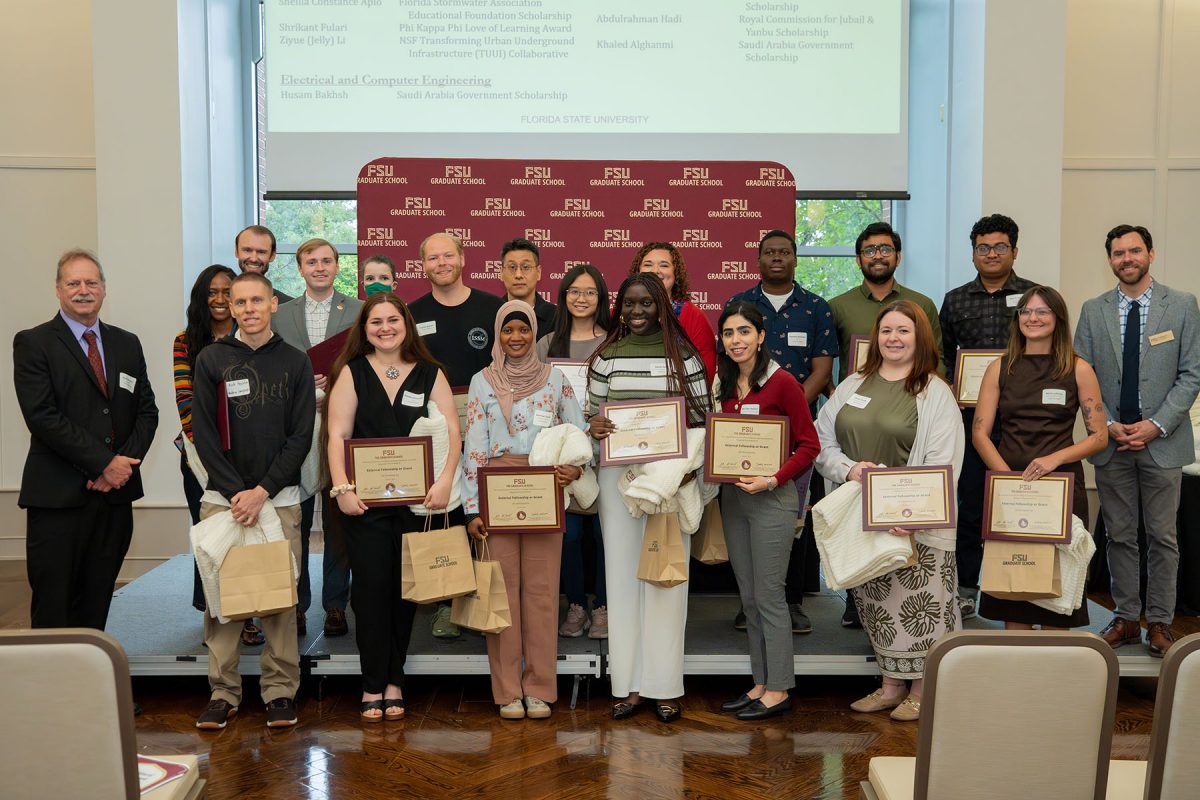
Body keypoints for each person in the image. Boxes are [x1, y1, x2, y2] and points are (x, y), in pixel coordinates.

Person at [815, 300, 963, 722]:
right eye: (886, 331)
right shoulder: (853, 385)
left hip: (914, 525)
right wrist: (848, 469)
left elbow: (946, 463)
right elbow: (822, 441)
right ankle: (890, 686)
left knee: (923, 608)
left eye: (903, 331)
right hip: (864, 520)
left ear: (920, 338)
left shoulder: (935, 392)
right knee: (878, 606)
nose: (893, 339)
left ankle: (922, 689)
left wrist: (913, 513)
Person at [324, 291, 462, 722]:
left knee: (406, 596)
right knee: (369, 594)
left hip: (418, 507)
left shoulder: (430, 373)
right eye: (375, 322)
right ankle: (370, 684)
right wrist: (342, 488)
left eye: (392, 320)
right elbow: (336, 436)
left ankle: (394, 680)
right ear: (363, 329)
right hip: (364, 505)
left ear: (406, 324)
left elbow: (453, 434)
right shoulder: (351, 372)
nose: (385, 328)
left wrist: (444, 482)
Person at [191, 272, 314, 730]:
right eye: (239, 301)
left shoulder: (296, 362)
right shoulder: (210, 359)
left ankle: (280, 692)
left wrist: (262, 491)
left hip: (278, 500)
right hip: (222, 503)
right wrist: (235, 493)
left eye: (256, 300)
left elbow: (301, 436)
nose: (248, 308)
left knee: (280, 602)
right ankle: (223, 693)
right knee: (222, 603)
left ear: (273, 304)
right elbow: (202, 433)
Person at [588, 273, 712, 723]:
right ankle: (629, 686)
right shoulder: (606, 357)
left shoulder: (687, 359)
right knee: (622, 583)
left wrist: (686, 472)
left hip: (668, 482)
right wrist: (594, 427)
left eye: (646, 304)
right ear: (619, 308)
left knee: (665, 584)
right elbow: (591, 415)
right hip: (616, 481)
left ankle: (664, 687)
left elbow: (702, 419)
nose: (637, 312)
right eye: (629, 305)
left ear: (662, 307)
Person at [14, 248, 158, 630]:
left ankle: (89, 688)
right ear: (58, 290)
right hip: (59, 500)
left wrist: (120, 467)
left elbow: (147, 412)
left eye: (91, 282)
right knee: (54, 605)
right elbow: (42, 417)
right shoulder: (33, 343)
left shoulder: (127, 343)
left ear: (104, 289)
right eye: (73, 283)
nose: (83, 290)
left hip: (114, 499)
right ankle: (52, 689)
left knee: (97, 600)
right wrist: (102, 464)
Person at [1075, 224, 1200, 657]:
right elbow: (1081, 374)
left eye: (1134, 251)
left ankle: (1160, 623)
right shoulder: (1093, 311)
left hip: (1162, 443)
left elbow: (1192, 373)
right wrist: (1106, 423)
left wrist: (1156, 425)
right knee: (1120, 536)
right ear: (1109, 259)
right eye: (1117, 253)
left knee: (1163, 537)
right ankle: (1127, 618)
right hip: (1111, 442)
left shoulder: (1182, 305)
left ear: (1151, 254)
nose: (1126, 258)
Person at [463, 300, 586, 719]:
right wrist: (472, 507)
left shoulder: (556, 380)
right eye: (507, 331)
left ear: (535, 334)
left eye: (524, 330)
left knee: (541, 592)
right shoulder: (482, 381)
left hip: (544, 489)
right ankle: (506, 690)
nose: (516, 338)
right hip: (495, 488)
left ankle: (539, 687)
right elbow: (474, 444)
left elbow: (576, 432)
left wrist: (575, 467)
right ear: (498, 335)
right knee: (501, 592)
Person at [973, 286, 1108, 629]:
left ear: (1057, 318)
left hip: (1060, 489)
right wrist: (1009, 482)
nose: (1033, 318)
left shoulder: (1078, 369)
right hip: (1010, 486)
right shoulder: (999, 368)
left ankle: (1051, 681)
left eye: (1042, 312)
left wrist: (1053, 459)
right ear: (1018, 320)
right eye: (1026, 312)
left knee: (1055, 597)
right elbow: (979, 434)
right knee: (1014, 592)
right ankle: (1017, 680)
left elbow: (1100, 437)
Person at [728, 228, 838, 634]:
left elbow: (823, 369)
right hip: (745, 434)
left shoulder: (816, 307)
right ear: (758, 260)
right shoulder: (741, 305)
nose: (777, 258)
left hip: (796, 434)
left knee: (791, 519)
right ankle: (749, 604)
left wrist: (786, 406)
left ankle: (790, 601)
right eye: (769, 252)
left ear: (795, 259)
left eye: (785, 252)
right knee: (746, 515)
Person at [714, 303, 820, 721]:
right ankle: (760, 682)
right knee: (750, 598)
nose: (736, 340)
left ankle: (779, 689)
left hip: (772, 499)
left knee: (771, 597)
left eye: (744, 331)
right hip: (735, 499)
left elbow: (809, 446)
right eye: (728, 333)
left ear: (761, 336)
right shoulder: (723, 382)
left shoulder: (783, 384)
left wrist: (774, 479)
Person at [939, 213, 1037, 619]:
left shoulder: (1035, 297)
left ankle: (1020, 589)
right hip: (971, 419)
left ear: (1014, 251)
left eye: (1000, 247)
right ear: (973, 253)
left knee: (1022, 502)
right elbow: (942, 356)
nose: (991, 254)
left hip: (1026, 419)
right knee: (971, 505)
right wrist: (948, 387)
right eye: (983, 248)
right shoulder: (956, 299)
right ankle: (965, 589)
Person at [408, 231, 503, 638]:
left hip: (487, 416)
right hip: (433, 421)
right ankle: (447, 601)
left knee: (485, 506)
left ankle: (484, 598)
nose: (441, 263)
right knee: (444, 506)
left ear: (463, 258)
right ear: (423, 265)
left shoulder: (492, 308)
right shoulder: (410, 313)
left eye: (448, 255)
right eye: (433, 258)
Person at [273, 238, 364, 638]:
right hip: (293, 427)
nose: (320, 267)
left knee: (338, 521)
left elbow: (367, 362)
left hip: (343, 423)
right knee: (293, 519)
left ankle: (334, 605)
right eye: (312, 261)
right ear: (300, 267)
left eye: (328, 260)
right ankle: (295, 605)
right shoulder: (279, 313)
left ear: (337, 266)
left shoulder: (359, 310)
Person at [174, 265, 265, 643]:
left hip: (248, 456)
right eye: (211, 292)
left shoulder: (252, 339)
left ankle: (246, 616)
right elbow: (184, 399)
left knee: (245, 536)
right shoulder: (185, 341)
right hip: (200, 456)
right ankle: (213, 613)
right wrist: (211, 451)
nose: (219, 299)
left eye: (227, 292)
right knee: (211, 534)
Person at [537, 264, 612, 639]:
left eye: (590, 292)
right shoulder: (546, 344)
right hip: (560, 457)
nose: (581, 299)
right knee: (567, 537)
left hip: (607, 453)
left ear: (601, 299)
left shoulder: (614, 342)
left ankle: (603, 608)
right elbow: (533, 400)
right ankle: (577, 605)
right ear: (563, 297)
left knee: (602, 535)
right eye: (574, 292)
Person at [830, 222, 942, 382]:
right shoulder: (837, 306)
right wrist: (832, 390)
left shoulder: (923, 305)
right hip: (854, 399)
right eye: (869, 251)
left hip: (911, 396)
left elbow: (936, 356)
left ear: (898, 258)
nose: (877, 256)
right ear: (858, 260)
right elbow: (821, 357)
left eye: (885, 249)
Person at [630, 241, 717, 381]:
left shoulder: (694, 316)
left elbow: (705, 373)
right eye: (648, 264)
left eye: (664, 265)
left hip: (678, 401)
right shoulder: (621, 314)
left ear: (676, 274)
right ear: (637, 272)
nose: (655, 270)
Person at [499, 237, 557, 335]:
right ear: (501, 273)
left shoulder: (557, 318)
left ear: (538, 272)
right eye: (512, 267)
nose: (518, 275)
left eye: (525, 267)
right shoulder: (491, 313)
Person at [235, 224, 292, 303]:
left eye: (261, 252)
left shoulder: (287, 305)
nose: (254, 259)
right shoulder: (222, 301)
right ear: (236, 252)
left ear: (272, 255)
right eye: (247, 250)